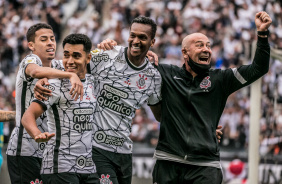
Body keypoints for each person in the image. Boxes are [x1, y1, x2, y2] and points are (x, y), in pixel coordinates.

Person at [150, 11, 272, 184]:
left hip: (206, 165)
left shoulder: (220, 79)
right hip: (168, 161)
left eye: (208, 45)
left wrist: (262, 34)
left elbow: (258, 68)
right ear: (185, 52)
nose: (206, 49)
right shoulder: (166, 73)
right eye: (200, 45)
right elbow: (134, 64)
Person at [6, 23, 83, 184]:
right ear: (31, 45)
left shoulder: (57, 65)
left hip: (49, 152)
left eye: (52, 39)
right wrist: (70, 76)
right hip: (25, 150)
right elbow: (35, 71)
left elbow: (84, 58)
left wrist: (108, 47)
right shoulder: (30, 60)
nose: (50, 42)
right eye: (44, 39)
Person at [21, 33, 99, 184]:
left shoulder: (93, 82)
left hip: (88, 168)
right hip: (59, 167)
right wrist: (37, 133)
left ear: (88, 58)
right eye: (66, 55)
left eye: (76, 56)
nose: (70, 61)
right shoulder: (55, 85)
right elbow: (27, 116)